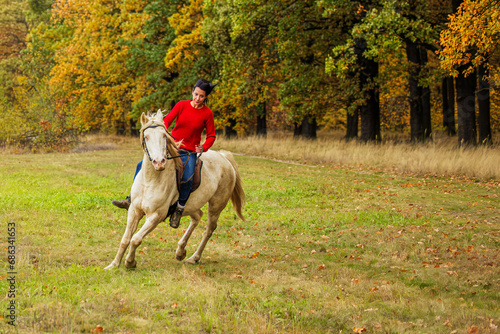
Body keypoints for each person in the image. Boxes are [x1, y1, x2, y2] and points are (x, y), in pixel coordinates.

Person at [112, 79, 217, 229]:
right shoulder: (181, 105)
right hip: (172, 145)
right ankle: (130, 199)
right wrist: (159, 131)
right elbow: (167, 120)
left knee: (187, 177)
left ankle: (179, 209)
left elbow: (212, 135)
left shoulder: (207, 114)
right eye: (196, 94)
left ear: (205, 97)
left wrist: (204, 147)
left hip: (189, 152)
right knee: (140, 165)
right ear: (192, 91)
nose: (197, 98)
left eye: (201, 96)